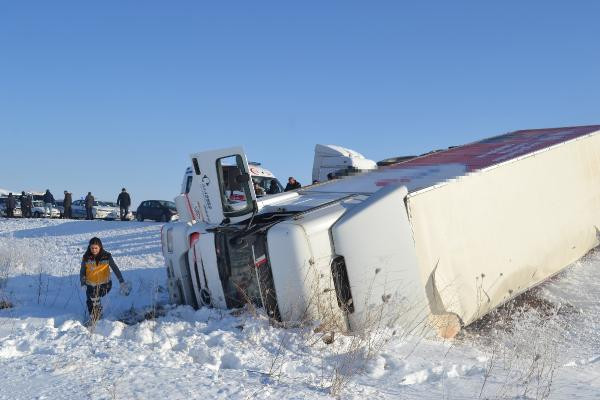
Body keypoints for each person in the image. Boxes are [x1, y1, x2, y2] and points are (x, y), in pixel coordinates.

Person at [79, 237, 127, 321]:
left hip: (105, 284)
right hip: (90, 284)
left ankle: (98, 316)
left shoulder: (107, 256)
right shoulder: (86, 257)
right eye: (92, 248)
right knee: (90, 301)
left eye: (96, 248)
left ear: (100, 247)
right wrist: (83, 283)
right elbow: (82, 271)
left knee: (94, 297)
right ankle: (93, 318)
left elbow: (115, 268)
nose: (94, 250)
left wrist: (121, 281)